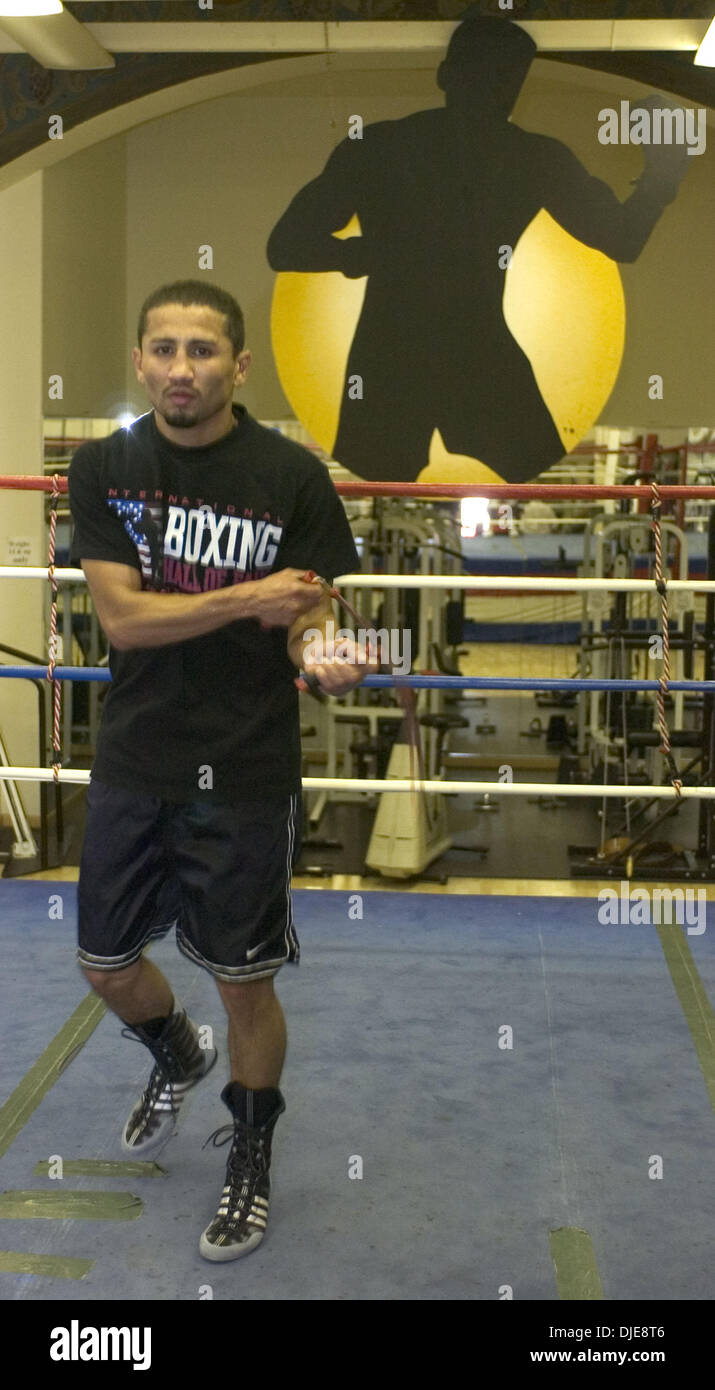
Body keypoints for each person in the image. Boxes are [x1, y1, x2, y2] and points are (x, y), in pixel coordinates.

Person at [68, 280, 366, 1262]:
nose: (180, 367)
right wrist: (251, 598)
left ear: (240, 366)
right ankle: (174, 1050)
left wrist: (317, 646)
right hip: (136, 752)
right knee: (105, 963)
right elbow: (124, 619)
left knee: (245, 980)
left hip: (242, 765)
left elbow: (310, 612)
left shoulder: (290, 475)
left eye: (202, 350)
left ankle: (250, 1151)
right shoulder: (105, 466)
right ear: (141, 359)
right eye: (162, 348)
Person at [267, 15, 692, 483]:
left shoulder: (382, 147)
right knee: (386, 489)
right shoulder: (528, 158)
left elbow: (286, 245)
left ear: (447, 75)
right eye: (491, 78)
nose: (494, 92)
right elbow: (285, 246)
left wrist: (367, 255)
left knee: (375, 492)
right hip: (457, 354)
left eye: (501, 81)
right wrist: (661, 174)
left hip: (402, 355)